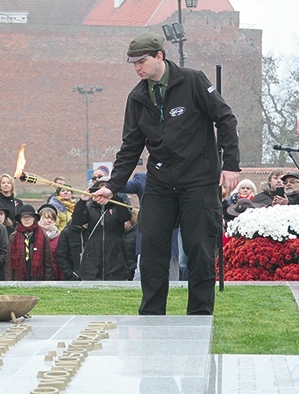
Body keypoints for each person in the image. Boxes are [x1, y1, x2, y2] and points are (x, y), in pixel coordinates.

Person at [92, 32, 240, 315]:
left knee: (198, 250)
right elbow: (130, 147)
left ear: (159, 56)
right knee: (151, 250)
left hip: (198, 181)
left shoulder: (193, 80)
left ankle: (199, 315)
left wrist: (230, 164)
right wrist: (113, 186)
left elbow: (225, 118)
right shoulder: (136, 97)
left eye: (142, 61)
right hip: (160, 183)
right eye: (133, 63)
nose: (137, 68)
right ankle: (151, 315)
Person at [73, 177, 132, 281]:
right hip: (93, 253)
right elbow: (77, 222)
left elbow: (125, 217)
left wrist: (115, 198)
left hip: (115, 251)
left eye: (106, 187)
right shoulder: (90, 207)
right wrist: (82, 201)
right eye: (100, 187)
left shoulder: (117, 205)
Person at [5, 204, 54, 281]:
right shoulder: (13, 236)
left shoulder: (42, 236)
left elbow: (48, 263)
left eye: (29, 217)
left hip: (38, 278)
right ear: (20, 219)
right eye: (23, 217)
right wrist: (9, 282)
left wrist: (48, 282)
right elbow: (9, 263)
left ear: (34, 218)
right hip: (18, 278)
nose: (26, 219)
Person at [37, 204, 63, 280]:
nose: (50, 221)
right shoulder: (34, 235)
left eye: (52, 219)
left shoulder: (58, 237)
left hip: (54, 274)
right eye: (47, 218)